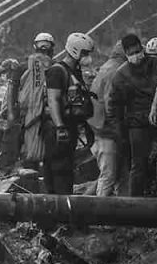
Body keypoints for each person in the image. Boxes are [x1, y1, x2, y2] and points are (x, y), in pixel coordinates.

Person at [106, 34, 157, 196]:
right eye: (131, 54)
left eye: (137, 51)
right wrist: (119, 133)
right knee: (138, 165)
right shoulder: (121, 75)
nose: (136, 56)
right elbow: (114, 106)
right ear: (125, 54)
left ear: (142, 48)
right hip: (137, 124)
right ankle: (135, 200)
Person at [43, 32, 95, 194]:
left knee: (66, 168)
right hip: (58, 129)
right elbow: (53, 100)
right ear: (75, 51)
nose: (87, 57)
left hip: (70, 127)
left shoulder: (75, 72)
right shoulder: (57, 71)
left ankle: (63, 208)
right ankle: (58, 209)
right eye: (85, 53)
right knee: (59, 169)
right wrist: (60, 127)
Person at [87, 42, 127, 196]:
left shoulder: (108, 66)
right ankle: (100, 215)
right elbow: (111, 102)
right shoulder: (116, 70)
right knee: (109, 175)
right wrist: (118, 130)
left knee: (114, 174)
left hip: (99, 126)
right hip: (107, 129)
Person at [17, 32, 56, 169]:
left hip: (29, 115)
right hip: (48, 114)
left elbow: (13, 89)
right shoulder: (56, 67)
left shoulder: (24, 65)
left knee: (29, 147)